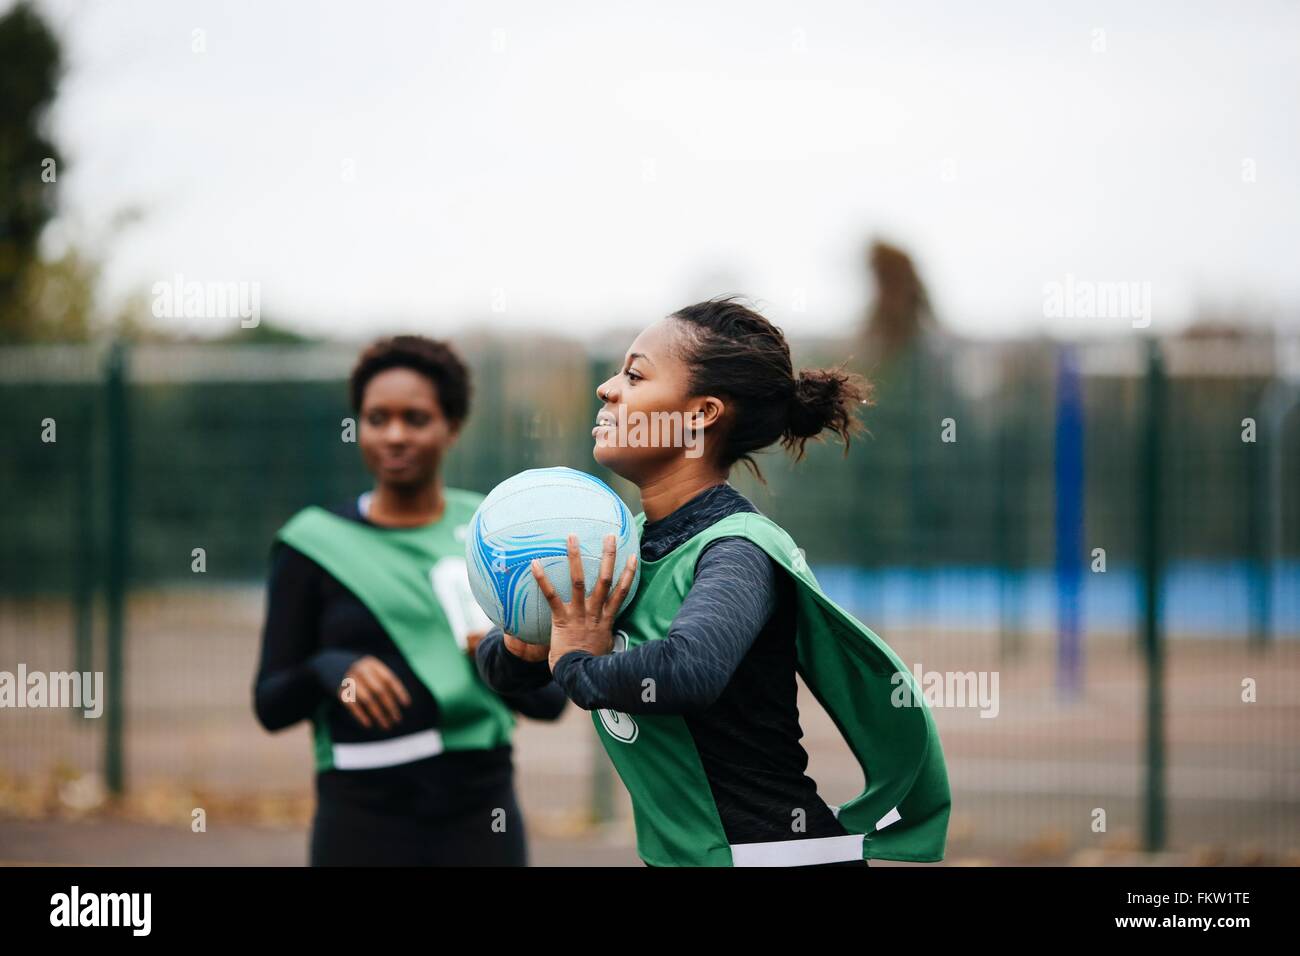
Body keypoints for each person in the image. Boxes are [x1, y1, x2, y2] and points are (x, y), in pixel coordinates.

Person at [477, 296, 950, 867]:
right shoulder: (623, 545)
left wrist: (576, 661)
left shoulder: (736, 549)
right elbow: (520, 676)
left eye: (635, 374)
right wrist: (520, 647)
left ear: (700, 414)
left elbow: (688, 670)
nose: (607, 389)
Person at [254, 334, 566, 865]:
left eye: (416, 419)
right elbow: (272, 704)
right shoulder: (312, 543)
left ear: (452, 427)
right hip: (361, 811)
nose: (394, 435)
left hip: (480, 806)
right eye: (377, 419)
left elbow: (548, 702)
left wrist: (500, 657)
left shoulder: (493, 533)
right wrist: (331, 667)